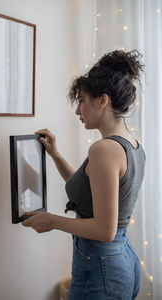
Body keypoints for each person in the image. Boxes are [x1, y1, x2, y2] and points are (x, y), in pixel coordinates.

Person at [22, 50, 146, 300]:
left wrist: (52, 221)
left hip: (100, 265)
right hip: (120, 258)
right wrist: (56, 155)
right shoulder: (132, 144)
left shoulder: (104, 149)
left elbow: (104, 229)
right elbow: (91, 194)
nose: (78, 110)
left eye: (81, 100)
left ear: (102, 101)